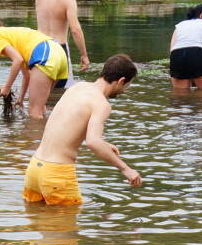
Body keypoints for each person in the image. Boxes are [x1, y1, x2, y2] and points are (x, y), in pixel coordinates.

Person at [22, 54, 143, 206]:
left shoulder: (77, 87)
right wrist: (125, 169)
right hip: (57, 173)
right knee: (65, 221)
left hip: (35, 168)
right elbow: (93, 142)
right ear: (120, 81)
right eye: (126, 86)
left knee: (38, 218)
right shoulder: (101, 104)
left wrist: (104, 144)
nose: (124, 91)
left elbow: (69, 126)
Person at [0, 10, 70, 120]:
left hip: (45, 54)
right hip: (58, 52)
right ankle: (47, 128)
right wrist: (20, 99)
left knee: (34, 111)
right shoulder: (12, 34)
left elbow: (17, 60)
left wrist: (7, 87)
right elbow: (27, 75)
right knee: (40, 107)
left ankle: (38, 131)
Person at [34, 0, 90, 87]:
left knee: (41, 89)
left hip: (39, 46)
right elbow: (75, 30)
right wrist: (84, 55)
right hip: (58, 48)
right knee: (61, 90)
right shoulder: (68, 0)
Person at [168, 4, 202, 94]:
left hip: (176, 56)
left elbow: (172, 50)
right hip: (197, 52)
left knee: (180, 96)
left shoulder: (179, 26)